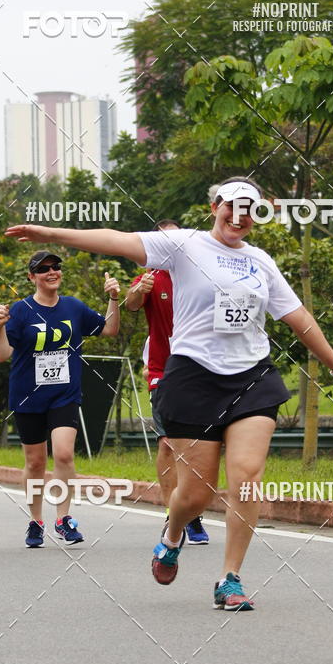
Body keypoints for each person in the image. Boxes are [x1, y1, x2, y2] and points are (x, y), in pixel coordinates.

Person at [5, 178, 333, 610]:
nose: (239, 217)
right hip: (193, 377)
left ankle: (229, 578)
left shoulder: (261, 263)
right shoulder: (183, 245)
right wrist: (51, 233)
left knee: (247, 478)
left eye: (249, 210)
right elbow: (117, 241)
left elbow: (298, 316)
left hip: (251, 377)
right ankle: (173, 534)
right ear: (214, 206)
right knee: (195, 494)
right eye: (231, 207)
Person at [0, 250, 120, 548]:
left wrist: (113, 298)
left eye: (56, 267)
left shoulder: (74, 307)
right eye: (44, 268)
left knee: (63, 454)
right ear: (31, 276)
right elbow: (1, 354)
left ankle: (63, 518)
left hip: (65, 394)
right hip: (27, 397)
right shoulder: (21, 311)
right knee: (35, 463)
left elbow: (110, 329)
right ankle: (36, 522)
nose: (52, 272)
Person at [126, 219, 209, 545]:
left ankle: (193, 513)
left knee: (197, 446)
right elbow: (132, 305)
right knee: (167, 443)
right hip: (163, 371)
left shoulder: (201, 275)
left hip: (203, 370)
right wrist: (136, 291)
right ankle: (172, 514)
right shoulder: (150, 277)